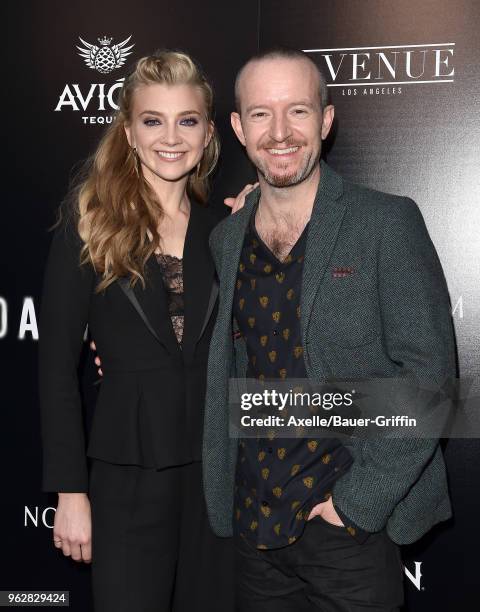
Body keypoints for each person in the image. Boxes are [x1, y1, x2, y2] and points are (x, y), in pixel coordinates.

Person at [202, 48, 456, 611]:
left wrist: (358, 504)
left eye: (298, 110)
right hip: (254, 529)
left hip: (345, 531)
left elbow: (430, 379)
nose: (280, 132)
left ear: (326, 119)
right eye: (262, 114)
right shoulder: (225, 240)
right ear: (240, 128)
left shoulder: (385, 222)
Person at [39, 50, 243, 612]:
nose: (170, 137)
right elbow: (57, 370)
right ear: (129, 131)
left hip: (215, 477)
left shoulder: (225, 230)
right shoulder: (91, 225)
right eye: (153, 120)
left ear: (208, 134)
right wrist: (71, 492)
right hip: (127, 475)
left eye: (187, 120)